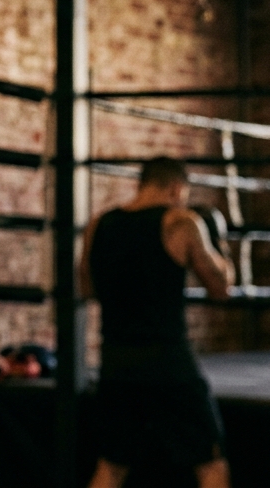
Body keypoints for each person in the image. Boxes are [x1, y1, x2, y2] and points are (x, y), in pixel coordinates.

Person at [79, 157, 234, 488]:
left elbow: (87, 287)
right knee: (210, 465)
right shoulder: (180, 222)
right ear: (177, 188)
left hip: (116, 361)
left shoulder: (99, 223)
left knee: (111, 466)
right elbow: (221, 288)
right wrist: (219, 243)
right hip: (170, 364)